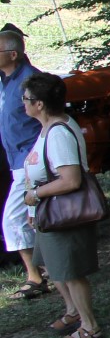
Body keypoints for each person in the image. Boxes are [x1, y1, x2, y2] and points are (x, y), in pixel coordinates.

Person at [21, 73, 103, 338]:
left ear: (40, 104)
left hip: (63, 215)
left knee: (70, 272)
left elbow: (71, 179)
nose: (23, 103)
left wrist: (35, 195)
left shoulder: (58, 134)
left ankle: (90, 327)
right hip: (48, 213)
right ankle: (72, 311)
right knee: (54, 267)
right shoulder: (48, 128)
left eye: (26, 99)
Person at [0, 25, 47, 300]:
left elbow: (49, 118)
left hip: (29, 159)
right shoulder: (6, 80)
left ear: (13, 54)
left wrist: (40, 153)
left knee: (13, 219)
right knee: (34, 218)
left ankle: (34, 276)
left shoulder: (30, 81)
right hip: (15, 158)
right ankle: (46, 269)